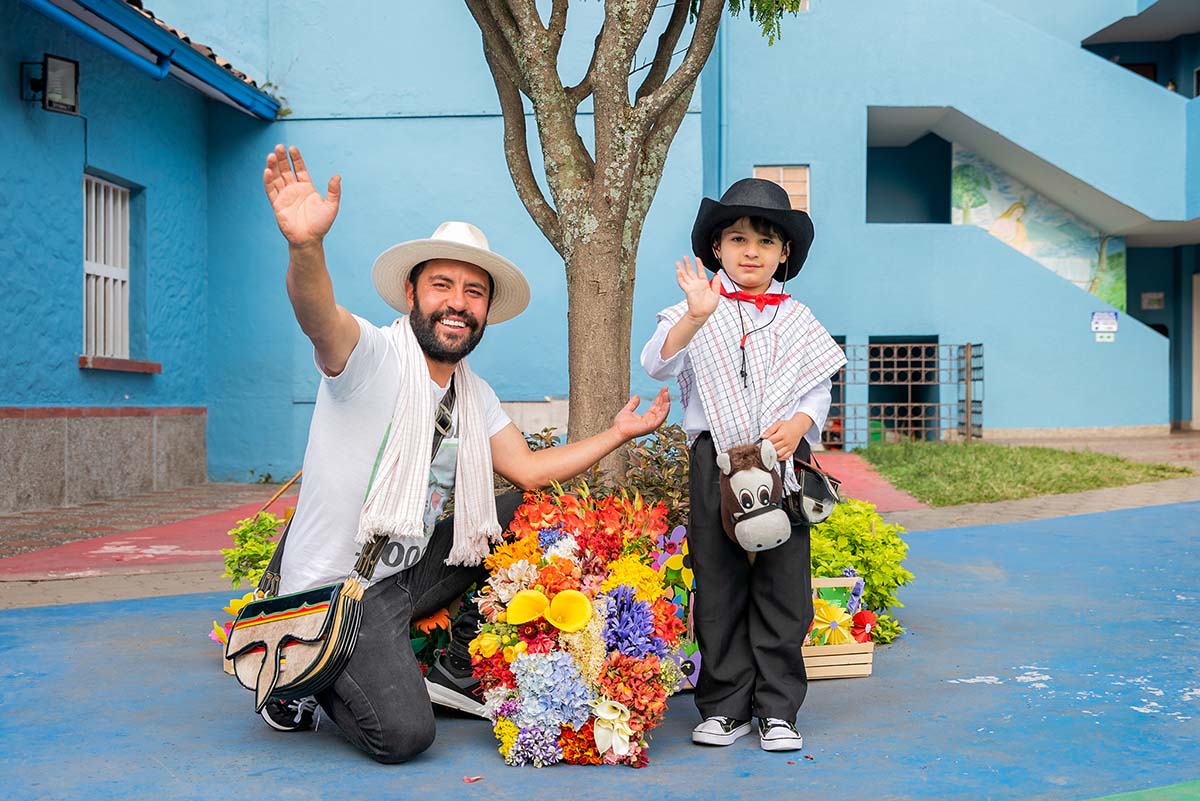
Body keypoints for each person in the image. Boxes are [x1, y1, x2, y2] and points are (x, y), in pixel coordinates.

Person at [260, 144, 670, 762]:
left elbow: (529, 472)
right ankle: (305, 681)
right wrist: (305, 246)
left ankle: (452, 662)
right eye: (442, 285)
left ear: (484, 312)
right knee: (406, 736)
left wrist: (617, 434)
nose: (457, 302)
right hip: (338, 589)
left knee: (514, 514)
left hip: (404, 574)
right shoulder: (367, 356)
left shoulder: (473, 396)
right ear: (411, 294)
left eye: (473, 292)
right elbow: (317, 315)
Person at [640, 178, 845, 752]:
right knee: (720, 578)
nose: (750, 251)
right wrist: (695, 317)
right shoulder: (693, 308)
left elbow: (817, 387)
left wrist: (802, 425)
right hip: (716, 458)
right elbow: (656, 362)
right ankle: (725, 704)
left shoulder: (798, 317)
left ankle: (777, 708)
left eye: (765, 240)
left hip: (782, 457)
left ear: (784, 254)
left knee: (784, 585)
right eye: (737, 238)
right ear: (717, 250)